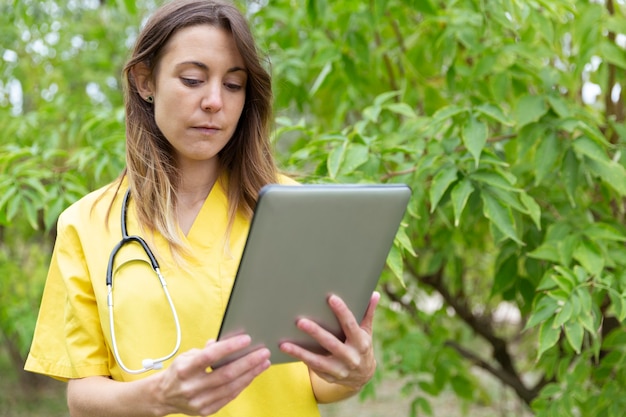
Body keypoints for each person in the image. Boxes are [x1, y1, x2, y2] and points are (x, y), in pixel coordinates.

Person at [24, 1, 380, 416]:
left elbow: (316, 379)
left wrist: (352, 372)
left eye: (233, 85)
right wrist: (157, 397)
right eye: (192, 79)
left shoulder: (293, 213)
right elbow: (82, 398)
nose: (214, 101)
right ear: (144, 81)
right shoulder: (86, 224)